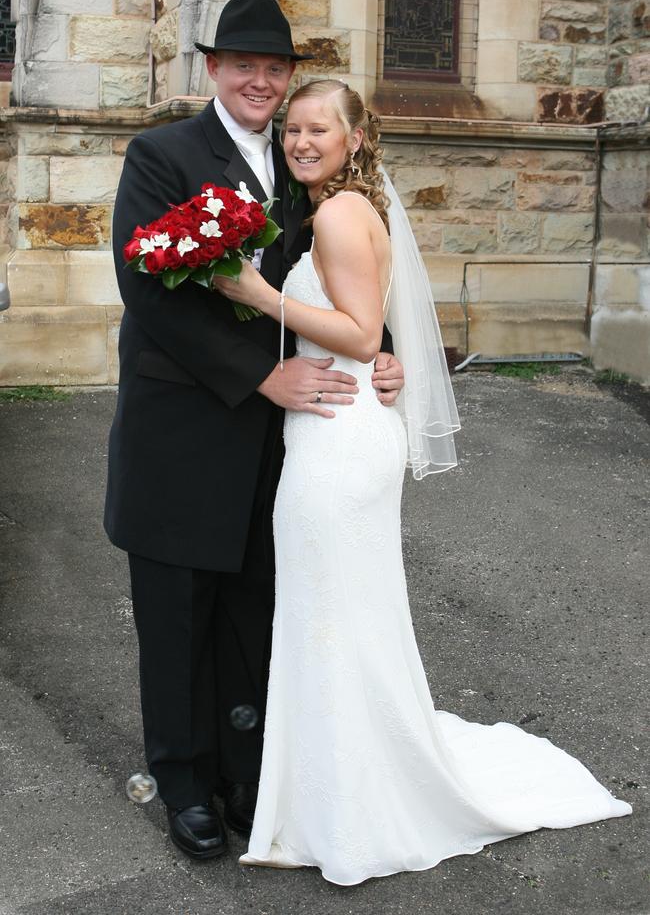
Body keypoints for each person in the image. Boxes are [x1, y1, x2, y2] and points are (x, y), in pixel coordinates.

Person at [215, 79, 632, 886]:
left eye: (318, 130)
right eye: (293, 130)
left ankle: (348, 806)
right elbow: (372, 335)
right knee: (341, 613)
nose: (301, 141)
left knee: (332, 615)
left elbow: (361, 331)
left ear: (357, 139)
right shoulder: (341, 209)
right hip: (339, 427)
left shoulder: (338, 214)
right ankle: (336, 789)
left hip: (338, 440)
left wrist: (261, 294)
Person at [104, 0, 404, 862]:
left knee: (256, 619)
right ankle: (187, 783)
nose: (261, 80)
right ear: (213, 70)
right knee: (178, 622)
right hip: (184, 437)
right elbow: (150, 294)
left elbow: (353, 283)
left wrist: (386, 355)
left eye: (274, 67)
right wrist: (260, 372)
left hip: (286, 448)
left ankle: (247, 774)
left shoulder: (306, 159)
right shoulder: (161, 155)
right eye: (243, 64)